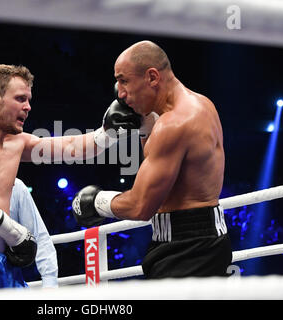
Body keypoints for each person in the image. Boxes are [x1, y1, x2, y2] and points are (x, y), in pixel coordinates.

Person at [0, 64, 146, 292]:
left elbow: (72, 147)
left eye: (28, 99)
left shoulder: (17, 143)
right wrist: (14, 233)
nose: (28, 107)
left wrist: (108, 132)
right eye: (20, 99)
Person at [72, 40, 232, 279]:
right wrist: (145, 127)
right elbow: (167, 173)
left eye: (124, 80)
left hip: (188, 249)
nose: (121, 93)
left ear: (152, 77)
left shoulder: (174, 124)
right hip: (197, 241)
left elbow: (141, 206)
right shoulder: (200, 104)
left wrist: (97, 202)